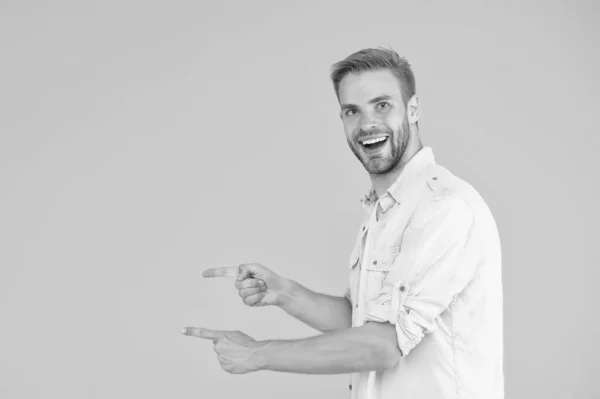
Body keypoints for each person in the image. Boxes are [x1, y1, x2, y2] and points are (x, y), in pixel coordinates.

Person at [181, 47, 504, 399]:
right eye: (353, 111)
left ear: (413, 109)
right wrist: (284, 293)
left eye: (382, 105)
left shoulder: (444, 210)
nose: (367, 124)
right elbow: (361, 321)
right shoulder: (386, 211)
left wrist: (257, 354)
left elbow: (384, 345)